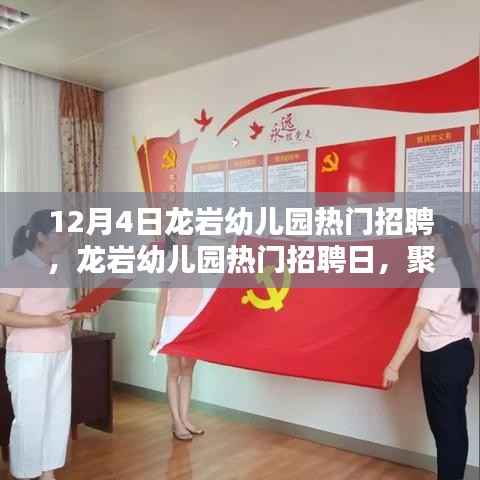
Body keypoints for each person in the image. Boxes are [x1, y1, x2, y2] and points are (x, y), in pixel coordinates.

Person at [0, 209, 97, 480]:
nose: (67, 236)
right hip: (29, 355)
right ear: (41, 236)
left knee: (57, 414)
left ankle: (48, 472)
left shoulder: (55, 268)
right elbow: (3, 314)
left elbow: (55, 309)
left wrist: (78, 312)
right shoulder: (17, 268)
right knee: (30, 416)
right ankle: (25, 473)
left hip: (61, 349)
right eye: (61, 232)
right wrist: (47, 320)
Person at [383, 215, 478, 480]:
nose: (416, 244)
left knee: (445, 432)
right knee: (454, 427)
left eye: (420, 238)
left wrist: (393, 366)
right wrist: (467, 239)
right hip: (461, 354)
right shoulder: (461, 268)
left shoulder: (438, 277)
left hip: (443, 360)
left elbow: (415, 326)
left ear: (435, 240)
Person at [151, 232, 205, 441]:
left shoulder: (198, 259)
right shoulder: (169, 261)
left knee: (188, 370)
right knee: (174, 372)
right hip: (173, 323)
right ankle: (176, 422)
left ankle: (185, 418)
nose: (189, 236)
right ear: (174, 236)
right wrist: (157, 333)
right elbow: (162, 301)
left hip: (193, 323)